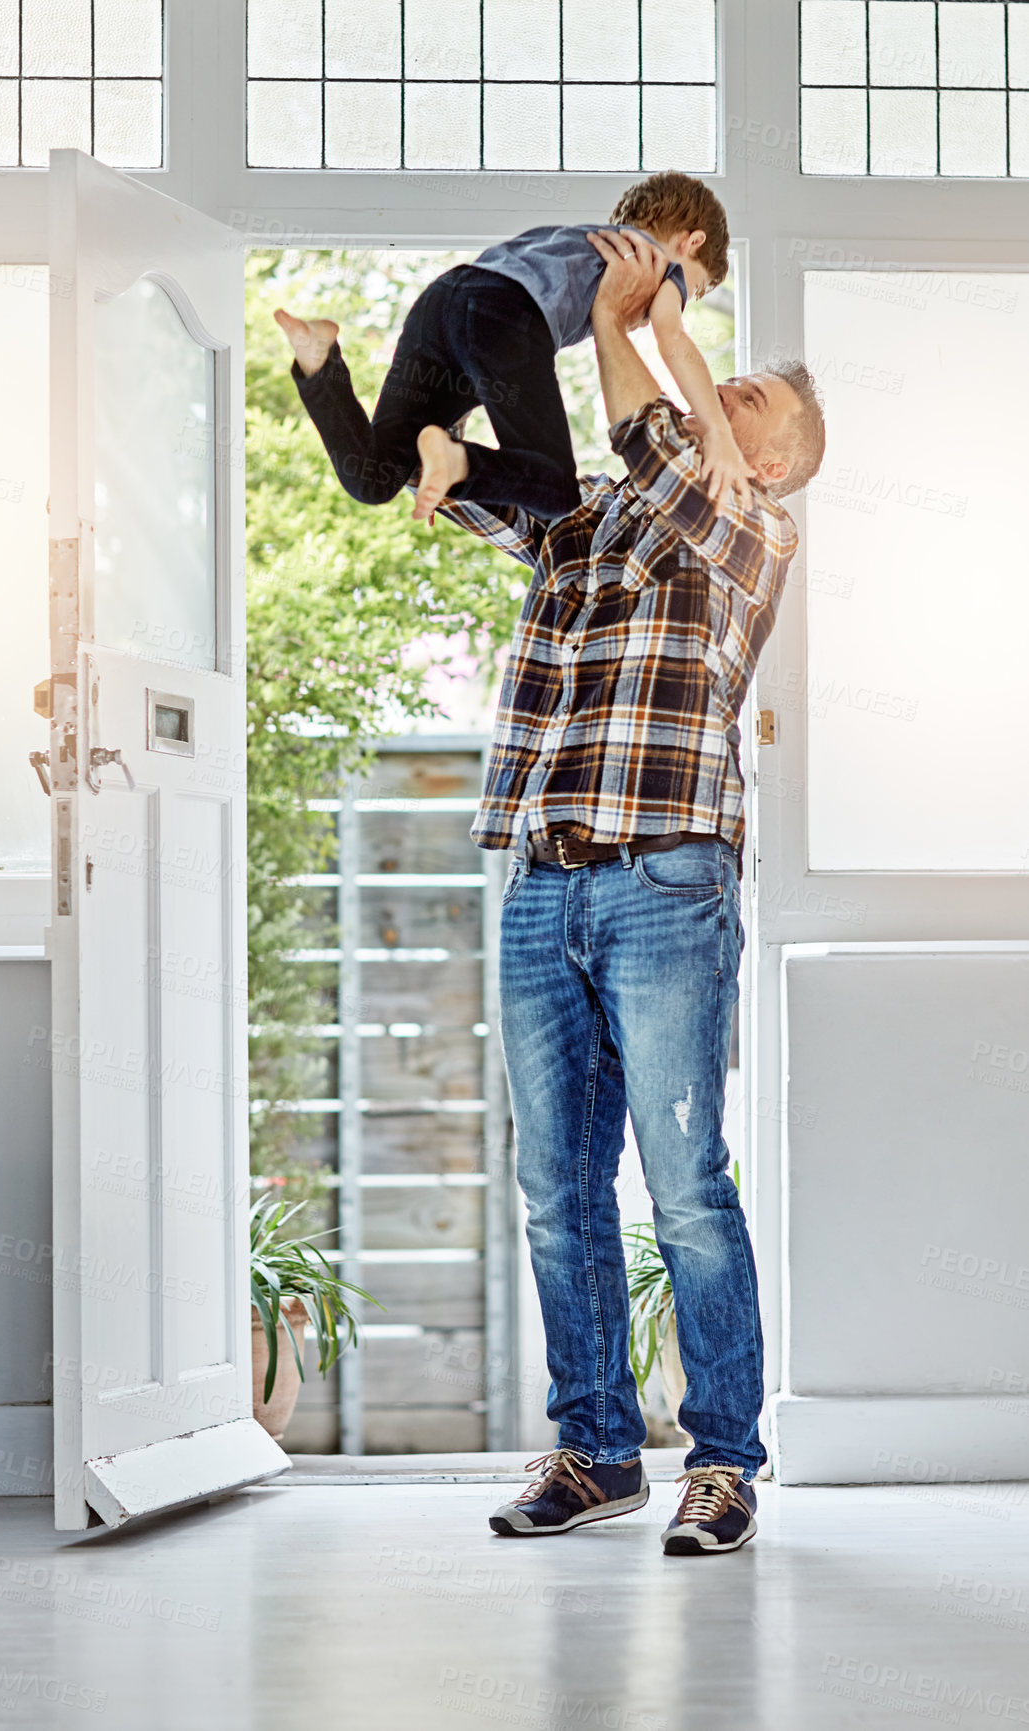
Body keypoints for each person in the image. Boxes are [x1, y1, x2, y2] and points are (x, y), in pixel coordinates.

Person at [428, 231, 825, 1552]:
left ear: (765, 456)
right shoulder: (606, 519)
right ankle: (595, 1448)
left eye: (748, 402)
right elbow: (512, 494)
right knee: (556, 1184)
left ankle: (723, 1459)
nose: (728, 407)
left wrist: (623, 314)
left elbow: (659, 426)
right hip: (545, 879)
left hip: (665, 880)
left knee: (685, 1185)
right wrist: (432, 451)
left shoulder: (748, 523)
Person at [273, 171, 754, 528]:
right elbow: (674, 342)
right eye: (696, 288)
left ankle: (320, 361)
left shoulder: (578, 239)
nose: (673, 304)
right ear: (690, 243)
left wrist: (444, 427)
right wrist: (719, 434)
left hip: (441, 304)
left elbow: (471, 320)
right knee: (557, 490)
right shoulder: (653, 260)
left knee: (374, 477)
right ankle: (457, 462)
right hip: (506, 316)